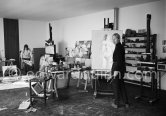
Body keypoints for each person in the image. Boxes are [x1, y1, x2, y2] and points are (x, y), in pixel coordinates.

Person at [111, 33, 129, 108]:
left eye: (114, 38)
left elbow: (118, 60)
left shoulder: (118, 47)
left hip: (117, 69)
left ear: (118, 39)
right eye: (112, 39)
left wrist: (116, 71)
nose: (113, 40)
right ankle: (126, 103)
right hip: (121, 69)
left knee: (116, 87)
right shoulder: (120, 47)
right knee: (122, 86)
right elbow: (122, 60)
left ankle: (116, 103)